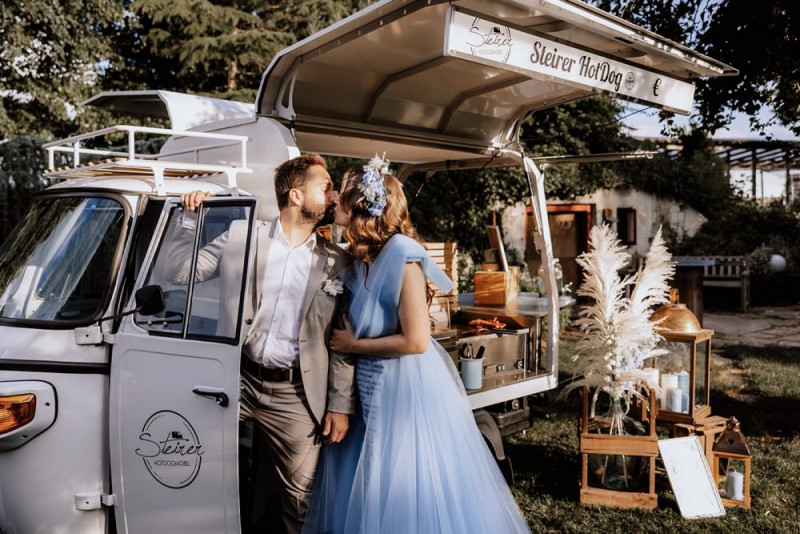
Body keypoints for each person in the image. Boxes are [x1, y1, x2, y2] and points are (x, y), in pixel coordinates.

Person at [302, 156, 530, 533]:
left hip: (401, 391)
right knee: (365, 479)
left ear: (361, 207)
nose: (334, 203)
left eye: (341, 197)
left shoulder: (403, 257)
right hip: (365, 390)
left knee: (399, 482)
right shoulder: (358, 260)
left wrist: (353, 343)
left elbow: (416, 340)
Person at [171, 154, 356, 534]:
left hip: (296, 394)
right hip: (234, 382)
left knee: (302, 500)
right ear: (296, 196)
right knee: (186, 467)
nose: (334, 196)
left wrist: (339, 404)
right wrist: (188, 219)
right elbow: (179, 272)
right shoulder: (240, 236)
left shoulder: (337, 263)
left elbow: (341, 343)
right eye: (326, 187)